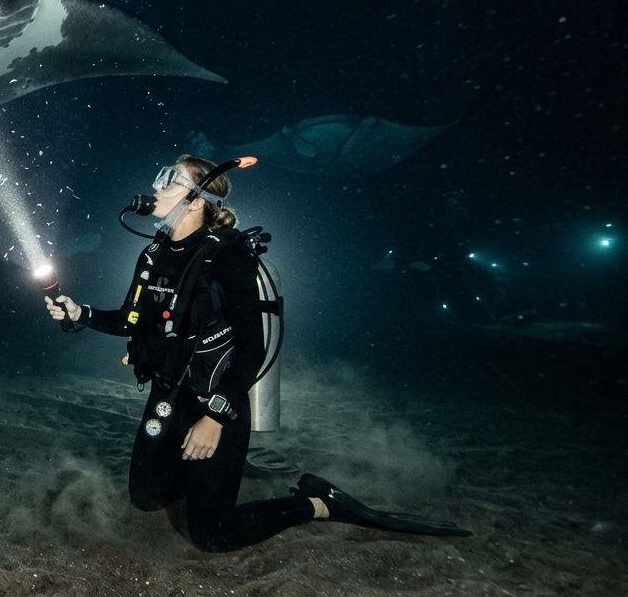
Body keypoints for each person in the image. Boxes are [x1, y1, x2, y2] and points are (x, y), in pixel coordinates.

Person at [44, 154, 470, 551]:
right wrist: (79, 312)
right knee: (145, 498)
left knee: (213, 536)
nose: (157, 185)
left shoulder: (227, 257)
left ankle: (319, 504)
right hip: (169, 392)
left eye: (171, 180)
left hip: (217, 398)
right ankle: (213, 474)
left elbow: (253, 347)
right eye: (161, 176)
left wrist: (213, 418)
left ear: (196, 202)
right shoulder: (153, 253)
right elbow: (130, 320)